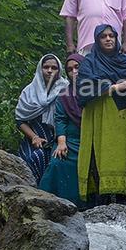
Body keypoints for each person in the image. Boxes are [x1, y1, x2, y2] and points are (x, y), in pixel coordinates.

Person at [76, 25, 126, 203]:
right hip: (97, 116)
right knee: (96, 155)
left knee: (119, 155)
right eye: (103, 36)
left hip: (121, 116)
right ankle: (98, 203)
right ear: (97, 40)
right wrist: (115, 87)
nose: (108, 39)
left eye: (112, 35)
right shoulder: (89, 62)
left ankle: (122, 199)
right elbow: (83, 88)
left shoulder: (125, 61)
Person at [40, 54, 91, 208]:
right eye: (69, 69)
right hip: (69, 140)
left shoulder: (96, 90)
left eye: (77, 67)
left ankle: (84, 206)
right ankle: (49, 203)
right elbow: (60, 119)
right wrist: (61, 142)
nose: (74, 71)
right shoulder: (65, 95)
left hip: (89, 140)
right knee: (57, 162)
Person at [15, 54, 67, 183]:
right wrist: (34, 137)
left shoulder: (66, 89)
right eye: (46, 67)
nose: (50, 70)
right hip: (34, 138)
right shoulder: (29, 91)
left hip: (59, 137)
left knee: (59, 161)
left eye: (54, 68)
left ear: (59, 70)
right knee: (34, 157)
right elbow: (20, 120)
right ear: (40, 69)